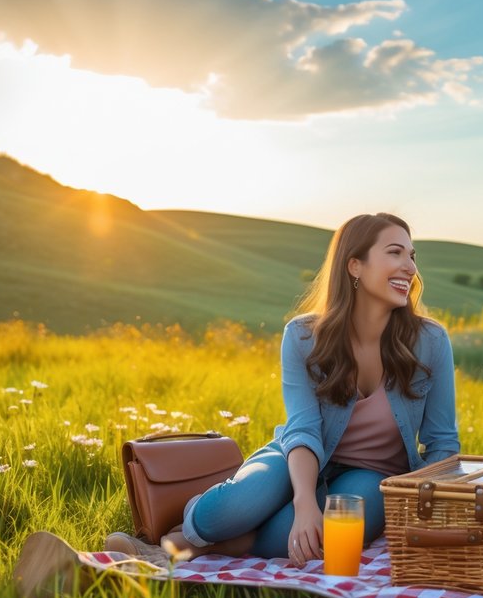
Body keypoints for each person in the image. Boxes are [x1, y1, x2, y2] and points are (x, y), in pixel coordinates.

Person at [105, 212, 460, 567]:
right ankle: (192, 530)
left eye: (412, 256)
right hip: (302, 454)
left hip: (374, 476)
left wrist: (411, 501)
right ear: (355, 265)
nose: (410, 268)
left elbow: (443, 442)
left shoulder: (430, 341)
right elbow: (303, 429)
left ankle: (195, 546)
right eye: (396, 253)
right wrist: (305, 500)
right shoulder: (303, 336)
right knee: (236, 507)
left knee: (294, 535)